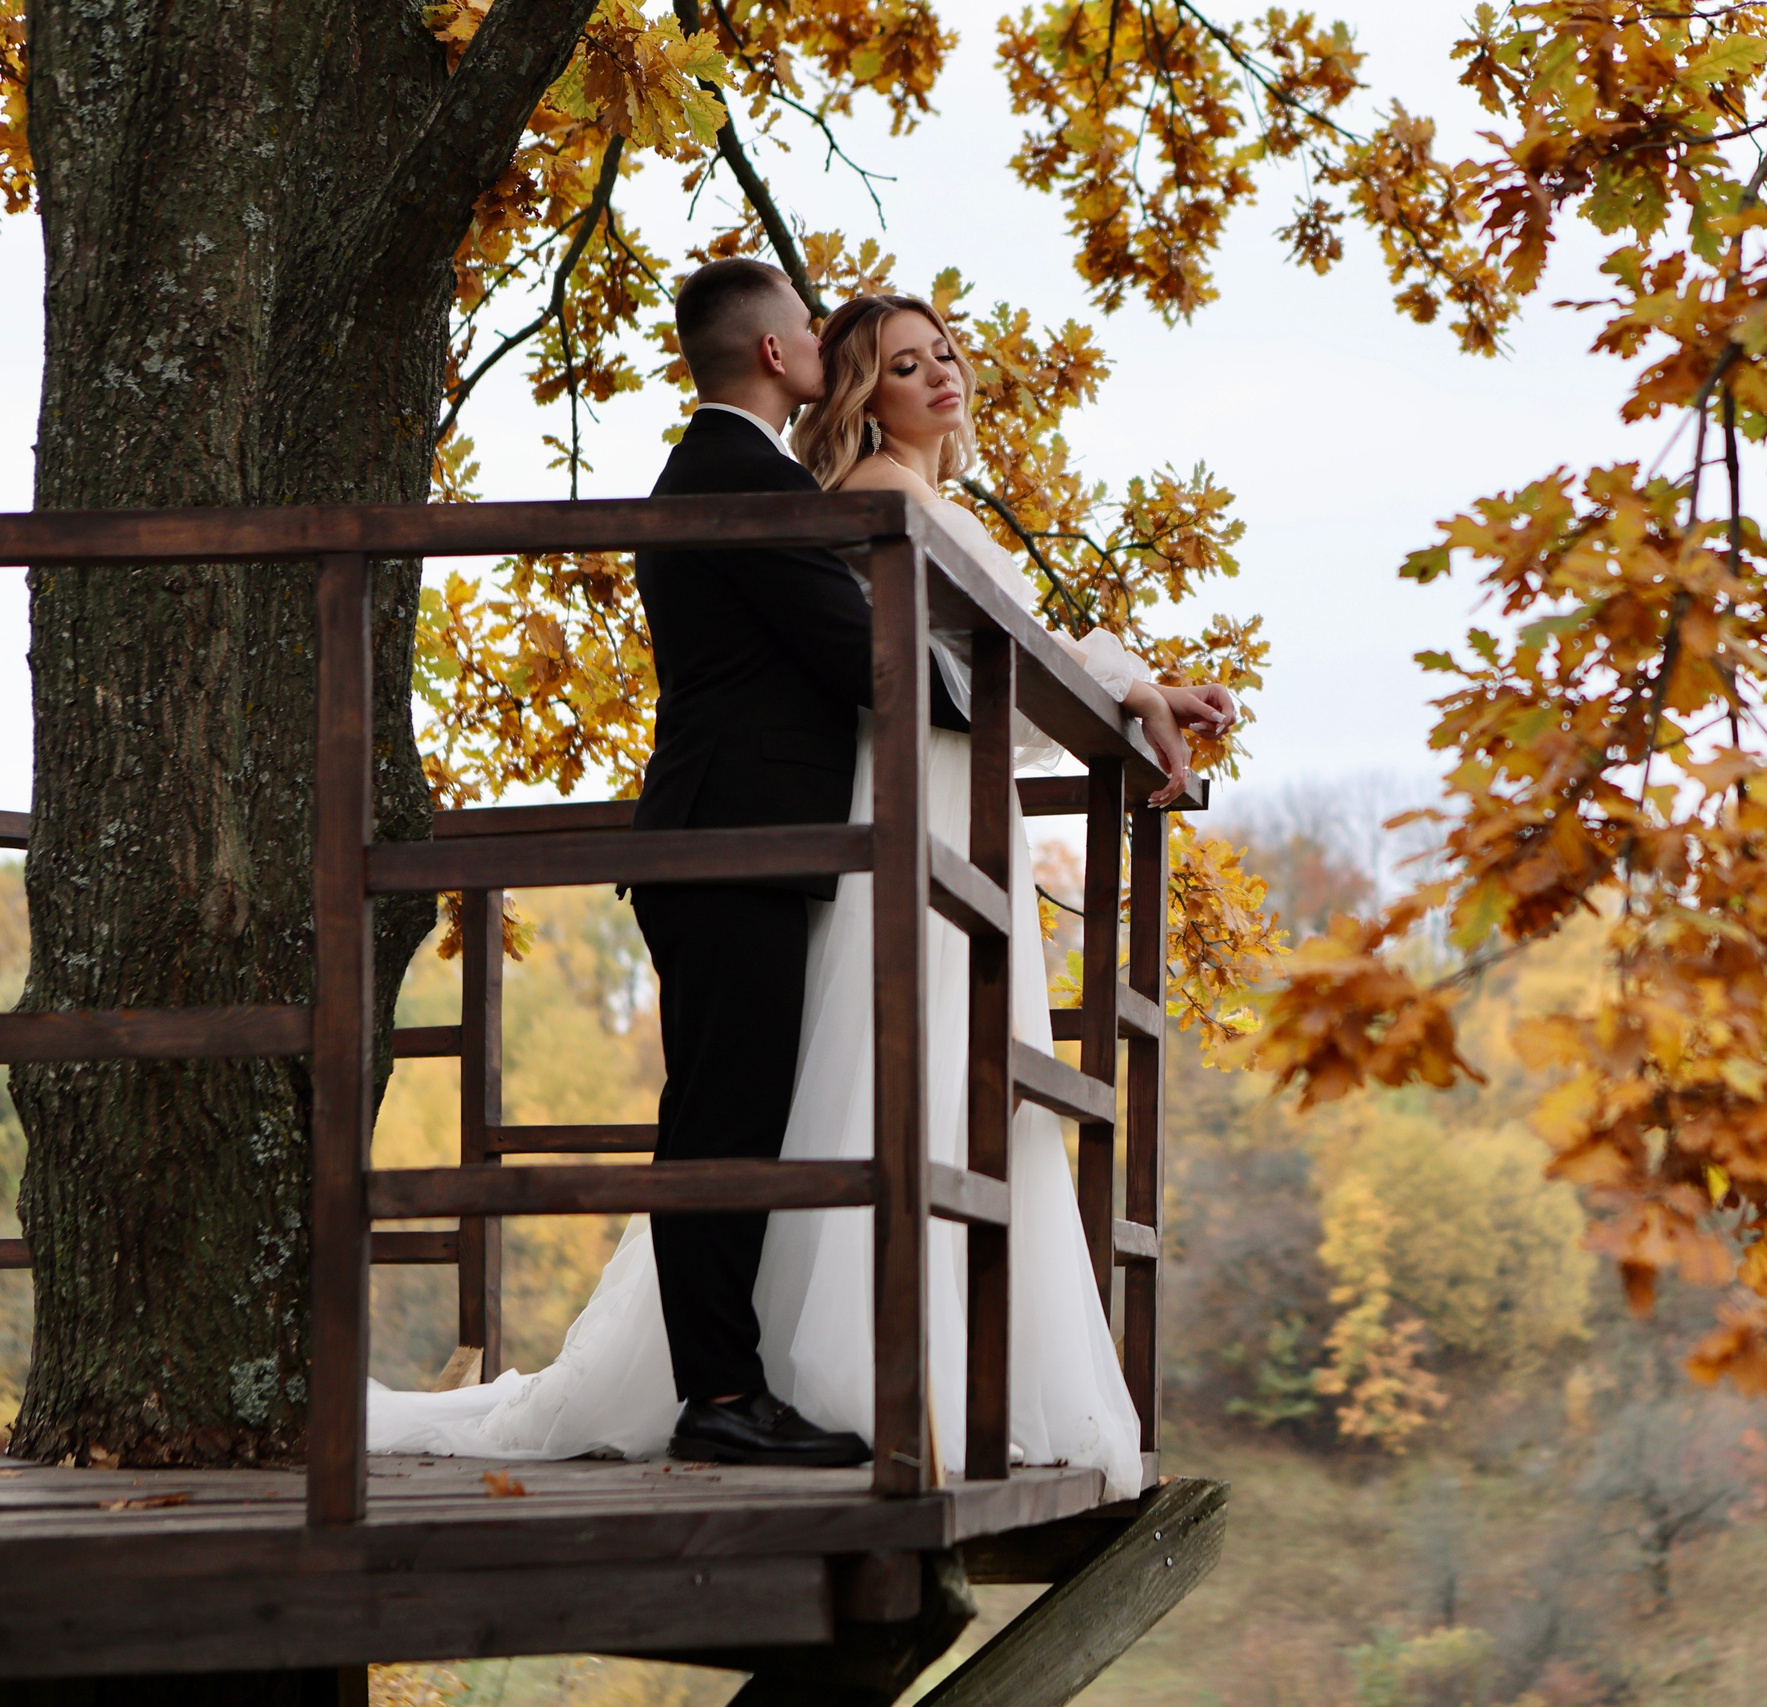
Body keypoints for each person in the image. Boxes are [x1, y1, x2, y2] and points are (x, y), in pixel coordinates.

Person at [366, 264, 1232, 1496]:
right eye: (863, 351)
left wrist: (1111, 689)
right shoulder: (745, 480)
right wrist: (1098, 694)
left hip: (766, 840)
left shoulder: (751, 473)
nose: (856, 353)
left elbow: (904, 656)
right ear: (780, 354)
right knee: (728, 1124)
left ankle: (753, 1387)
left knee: (754, 1115)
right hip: (735, 841)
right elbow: (878, 661)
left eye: (938, 354)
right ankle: (724, 1398)